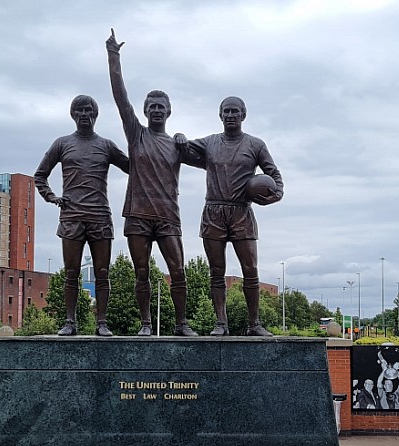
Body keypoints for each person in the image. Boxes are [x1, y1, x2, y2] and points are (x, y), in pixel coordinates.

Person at [107, 29, 197, 336]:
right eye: (152, 106)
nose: (156, 110)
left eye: (161, 107)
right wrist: (113, 57)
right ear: (145, 112)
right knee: (141, 272)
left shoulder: (178, 144)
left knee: (179, 271)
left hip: (168, 216)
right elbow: (121, 97)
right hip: (138, 216)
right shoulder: (136, 134)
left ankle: (182, 323)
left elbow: (212, 157)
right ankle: (146, 323)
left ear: (169, 112)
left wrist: (186, 139)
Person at [179, 96, 283, 336]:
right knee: (216, 270)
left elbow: (275, 176)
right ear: (220, 115)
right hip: (213, 212)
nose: (230, 115)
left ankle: (254, 324)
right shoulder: (210, 143)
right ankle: (221, 323)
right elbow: (183, 151)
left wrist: (274, 196)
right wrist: (179, 138)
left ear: (243, 115)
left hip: (241, 212)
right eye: (226, 111)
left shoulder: (256, 145)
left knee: (250, 269)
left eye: (235, 111)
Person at [34, 94, 130, 336]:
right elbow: (40, 175)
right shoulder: (62, 143)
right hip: (72, 217)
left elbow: (133, 167)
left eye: (89, 110)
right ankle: (70, 322)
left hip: (99, 216)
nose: (85, 115)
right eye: (80, 111)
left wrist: (145, 149)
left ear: (95, 114)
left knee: (103, 272)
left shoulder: (106, 145)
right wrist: (52, 196)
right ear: (73, 115)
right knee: (71, 272)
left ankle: (102, 323)